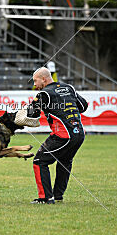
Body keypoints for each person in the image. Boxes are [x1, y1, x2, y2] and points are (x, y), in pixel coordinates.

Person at [28, 67, 88, 204]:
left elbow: (32, 114)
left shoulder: (44, 94)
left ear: (44, 79)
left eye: (35, 81)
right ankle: (58, 196)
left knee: (39, 161)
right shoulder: (69, 88)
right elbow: (84, 106)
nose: (35, 85)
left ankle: (45, 198)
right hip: (79, 134)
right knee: (65, 162)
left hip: (62, 135)